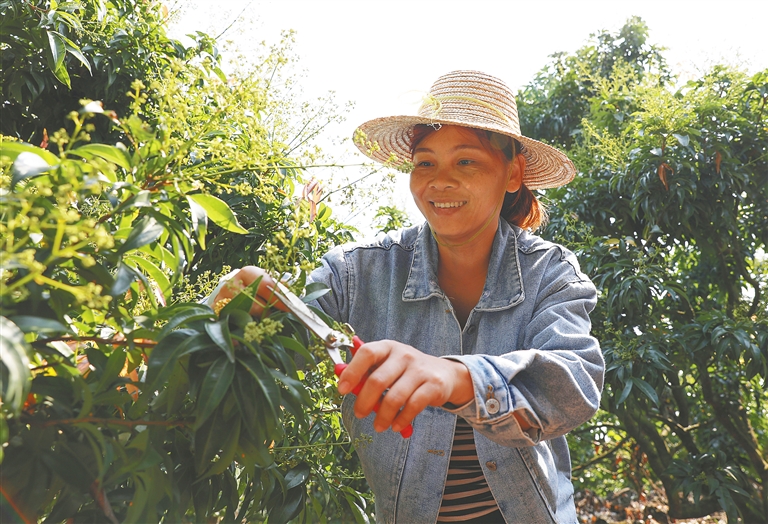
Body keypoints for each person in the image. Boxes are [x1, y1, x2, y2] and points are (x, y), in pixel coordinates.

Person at [213, 70, 604, 523]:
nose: (440, 182)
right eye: (425, 163)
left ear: (513, 173)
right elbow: (277, 352)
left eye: (466, 162)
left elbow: (574, 381)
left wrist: (454, 377)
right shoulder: (355, 273)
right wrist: (227, 319)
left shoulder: (550, 272)